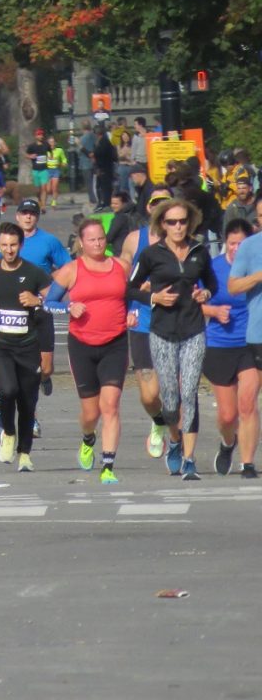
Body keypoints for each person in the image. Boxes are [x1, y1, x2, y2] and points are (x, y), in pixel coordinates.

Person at [128, 198, 217, 480]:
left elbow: (211, 282)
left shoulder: (199, 251)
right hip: (162, 332)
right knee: (169, 401)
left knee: (189, 394)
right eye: (171, 222)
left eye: (182, 221)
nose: (178, 227)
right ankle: (175, 439)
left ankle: (190, 459)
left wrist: (206, 294)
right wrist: (153, 297)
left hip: (193, 330)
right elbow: (130, 288)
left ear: (189, 222)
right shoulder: (151, 254)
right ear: (162, 225)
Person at [50, 218, 130, 483]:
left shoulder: (121, 266)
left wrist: (135, 312)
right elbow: (47, 302)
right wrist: (67, 308)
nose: (97, 244)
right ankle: (88, 439)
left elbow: (136, 296)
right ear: (81, 243)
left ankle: (108, 465)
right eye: (92, 239)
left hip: (115, 344)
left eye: (101, 238)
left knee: (111, 406)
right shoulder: (71, 270)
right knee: (91, 413)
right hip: (82, 344)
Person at [0, 222, 52, 472]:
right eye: (4, 245)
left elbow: (55, 299)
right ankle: (8, 432)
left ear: (21, 245)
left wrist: (37, 300)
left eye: (13, 245)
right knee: (7, 390)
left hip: (28, 347)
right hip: (1, 346)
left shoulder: (34, 273)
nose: (9, 250)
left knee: (27, 403)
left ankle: (25, 454)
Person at [119, 187, 173, 457]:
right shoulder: (134, 239)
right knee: (149, 396)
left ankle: (179, 445)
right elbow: (122, 278)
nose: (161, 208)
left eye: (167, 202)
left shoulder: (185, 242)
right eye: (156, 203)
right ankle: (159, 422)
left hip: (175, 323)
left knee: (176, 393)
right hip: (142, 320)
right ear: (149, 208)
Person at [206, 219, 258, 477]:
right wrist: (212, 310)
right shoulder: (213, 268)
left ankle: (247, 463)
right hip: (219, 344)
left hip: (249, 344)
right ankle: (228, 443)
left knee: (247, 403)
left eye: (242, 243)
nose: (237, 248)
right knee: (228, 415)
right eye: (232, 243)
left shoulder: (255, 265)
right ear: (225, 243)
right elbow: (192, 303)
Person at [14, 198, 70, 433]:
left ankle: (45, 378)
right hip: (16, 312)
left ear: (37, 217)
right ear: (17, 216)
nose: (28, 217)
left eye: (32, 213)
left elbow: (68, 267)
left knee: (45, 368)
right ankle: (31, 417)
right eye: (24, 213)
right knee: (26, 369)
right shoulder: (9, 241)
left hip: (41, 309)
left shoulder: (48, 241)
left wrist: (55, 290)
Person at [25, 129, 51, 206]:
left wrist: (50, 157)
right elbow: (26, 154)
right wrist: (30, 156)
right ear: (36, 136)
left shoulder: (46, 144)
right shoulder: (32, 146)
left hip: (44, 170)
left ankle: (43, 205)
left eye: (42, 135)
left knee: (44, 188)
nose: (41, 136)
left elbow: (50, 152)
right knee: (38, 189)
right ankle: (39, 199)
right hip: (35, 170)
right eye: (39, 135)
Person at [45, 135, 68, 207]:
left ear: (55, 143)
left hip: (56, 170)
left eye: (53, 142)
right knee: (48, 189)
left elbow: (64, 159)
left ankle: (54, 201)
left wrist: (64, 163)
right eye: (50, 142)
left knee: (54, 187)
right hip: (47, 170)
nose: (51, 144)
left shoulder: (59, 150)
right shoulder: (45, 151)